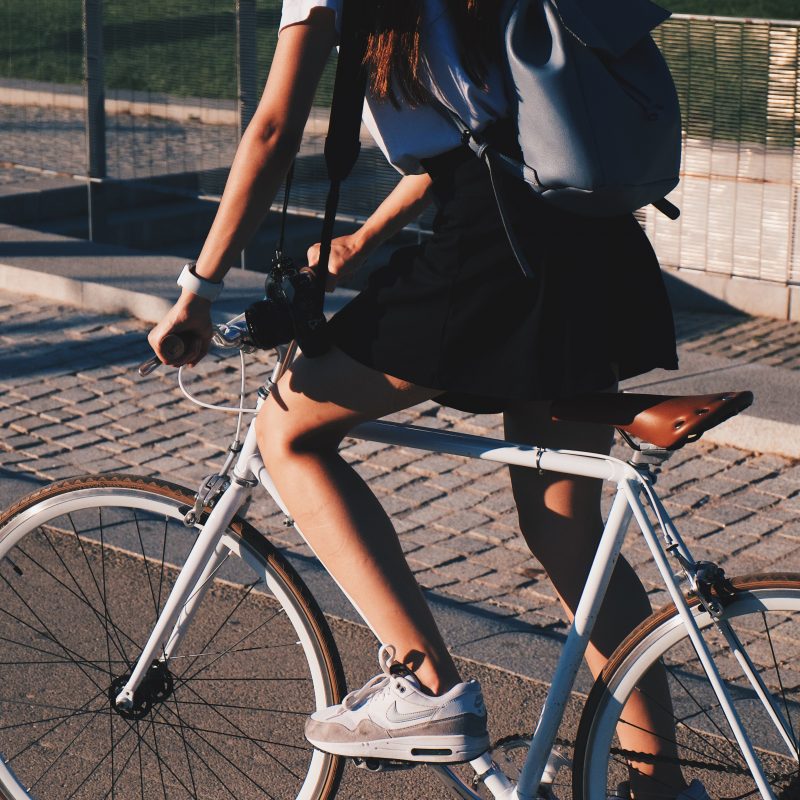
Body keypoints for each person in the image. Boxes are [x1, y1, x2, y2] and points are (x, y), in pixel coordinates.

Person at [148, 2, 696, 797]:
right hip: (589, 236)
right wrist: (362, 242)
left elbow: (271, 132)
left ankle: (426, 690)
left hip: (495, 249)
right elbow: (487, 135)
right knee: (567, 529)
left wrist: (197, 289)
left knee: (288, 429)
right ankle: (660, 787)